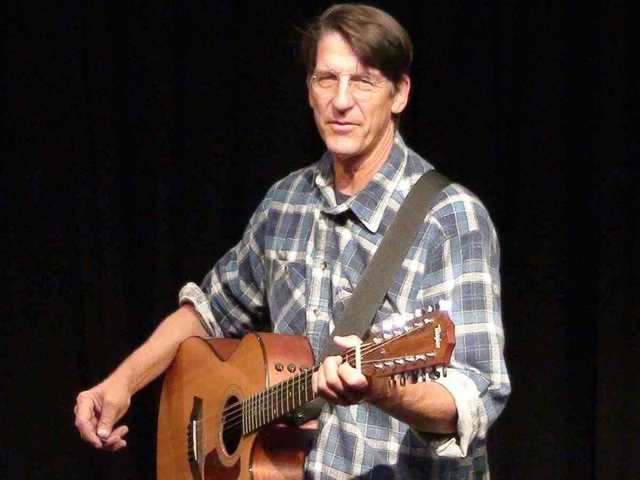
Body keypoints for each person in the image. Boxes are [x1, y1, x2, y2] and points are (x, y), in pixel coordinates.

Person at [74, 4, 510, 478]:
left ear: (399, 93)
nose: (341, 100)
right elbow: (207, 311)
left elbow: (475, 395)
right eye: (327, 79)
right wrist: (122, 382)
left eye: (363, 82)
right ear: (309, 89)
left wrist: (383, 390)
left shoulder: (449, 218)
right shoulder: (286, 202)